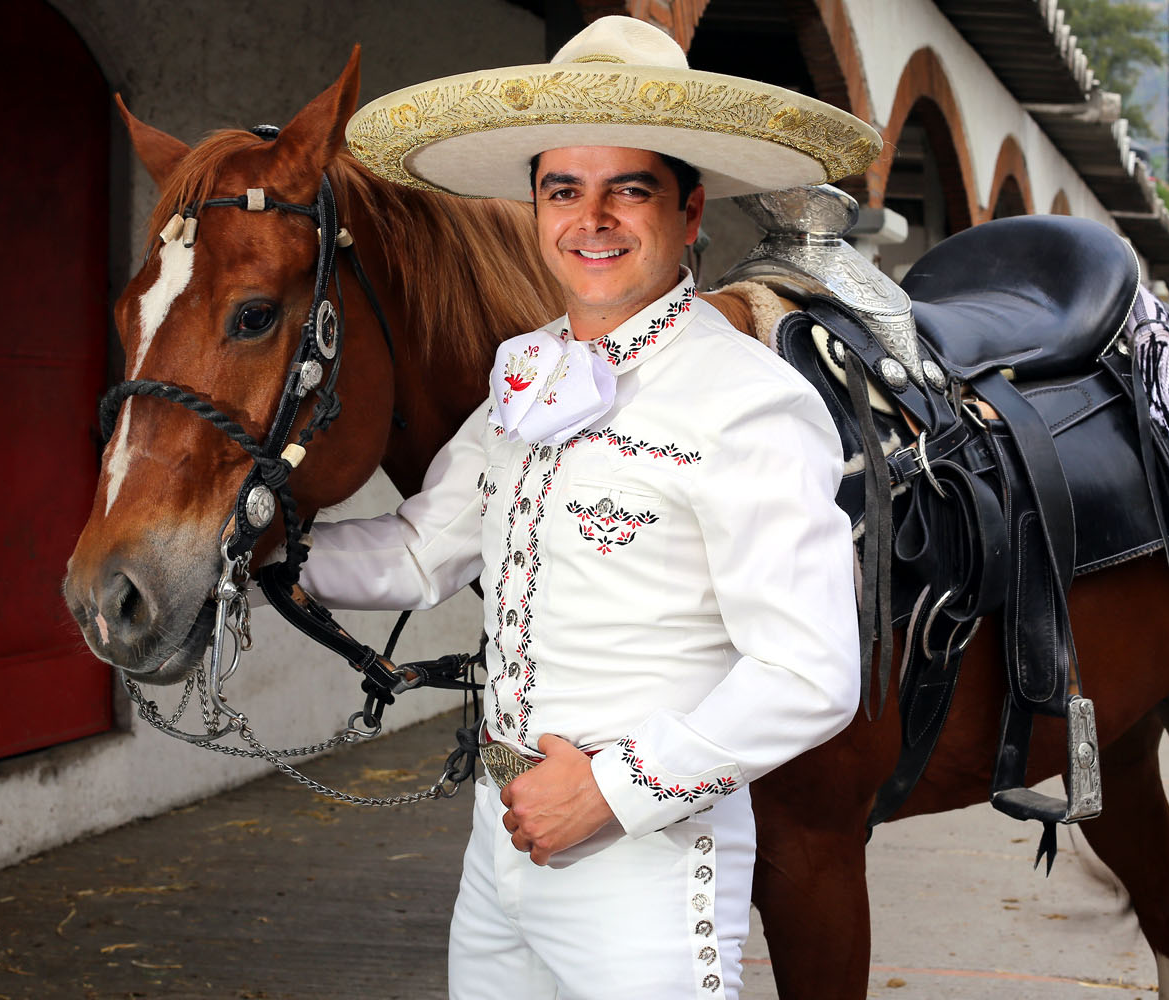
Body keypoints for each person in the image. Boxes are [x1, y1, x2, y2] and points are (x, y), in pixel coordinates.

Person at [313, 15, 882, 999]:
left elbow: (810, 671)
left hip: (642, 863)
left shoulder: (749, 400)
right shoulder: (524, 376)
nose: (593, 219)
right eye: (563, 190)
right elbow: (417, 553)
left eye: (631, 188)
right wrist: (255, 553)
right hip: (500, 842)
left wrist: (610, 794)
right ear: (535, 210)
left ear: (690, 210)